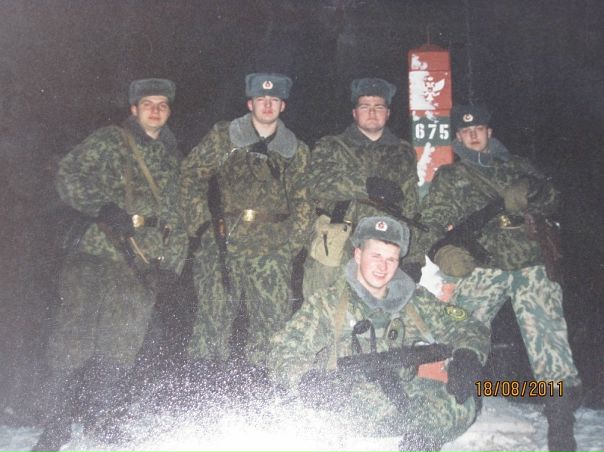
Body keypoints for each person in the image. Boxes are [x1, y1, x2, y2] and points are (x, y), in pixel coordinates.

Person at [33, 78, 188, 451]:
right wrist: (101, 207)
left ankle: (102, 420)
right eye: (147, 104)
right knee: (72, 338)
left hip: (142, 263)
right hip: (97, 254)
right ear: (133, 109)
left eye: (162, 105)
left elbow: (178, 215)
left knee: (122, 345)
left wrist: (173, 264)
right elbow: (67, 174)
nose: (155, 110)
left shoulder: (173, 156)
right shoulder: (110, 140)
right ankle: (54, 426)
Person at [418, 104, 582, 452]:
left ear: (489, 132)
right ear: (458, 137)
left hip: (530, 262)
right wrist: (441, 251)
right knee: (459, 331)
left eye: (479, 129)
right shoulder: (451, 176)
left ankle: (560, 424)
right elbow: (431, 220)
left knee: (550, 344)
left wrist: (531, 191)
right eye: (466, 131)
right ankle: (452, 409)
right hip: (483, 264)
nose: (473, 135)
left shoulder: (519, 166)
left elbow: (553, 199)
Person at [268, 216, 491, 451]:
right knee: (300, 417)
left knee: (463, 401)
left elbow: (468, 326)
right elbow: (284, 348)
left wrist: (468, 355)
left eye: (391, 259)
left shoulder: (414, 300)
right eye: (376, 256)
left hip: (398, 398)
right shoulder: (328, 302)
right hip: (340, 403)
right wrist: (306, 380)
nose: (383, 267)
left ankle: (419, 443)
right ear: (358, 255)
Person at [180, 72, 311, 366]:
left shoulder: (296, 151)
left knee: (273, 323)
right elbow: (191, 174)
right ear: (250, 103)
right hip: (225, 242)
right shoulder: (224, 137)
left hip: (273, 247)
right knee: (212, 319)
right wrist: (201, 225)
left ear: (283, 106)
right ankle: (204, 380)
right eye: (261, 99)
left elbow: (304, 199)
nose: (268, 105)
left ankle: (264, 383)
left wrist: (292, 244)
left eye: (274, 100)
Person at [302, 77, 420, 301]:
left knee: (380, 310)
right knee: (326, 307)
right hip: (338, 242)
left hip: (384, 248)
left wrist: (414, 257)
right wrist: (365, 186)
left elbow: (410, 207)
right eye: (365, 106)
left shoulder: (403, 152)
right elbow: (317, 184)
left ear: (388, 113)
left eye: (379, 107)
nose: (372, 112)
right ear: (355, 113)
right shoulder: (331, 145)